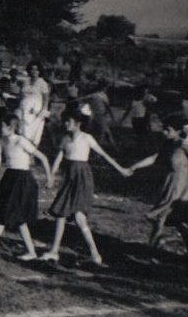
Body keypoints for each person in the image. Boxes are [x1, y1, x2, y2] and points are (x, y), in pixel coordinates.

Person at [41, 106, 132, 265]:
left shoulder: (86, 138)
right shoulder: (65, 138)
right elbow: (58, 158)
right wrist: (51, 176)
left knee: (75, 216)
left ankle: (83, 253)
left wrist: (121, 169)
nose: (65, 124)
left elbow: (104, 155)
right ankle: (80, 254)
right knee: (64, 215)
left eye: (68, 121)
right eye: (64, 121)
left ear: (77, 122)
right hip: (70, 179)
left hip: (82, 179)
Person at [128, 117, 188, 261]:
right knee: (176, 221)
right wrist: (134, 167)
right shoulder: (167, 144)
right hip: (171, 186)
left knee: (165, 220)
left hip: (180, 188)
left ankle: (152, 253)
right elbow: (154, 158)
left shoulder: (182, 144)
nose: (163, 132)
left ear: (178, 131)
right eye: (163, 128)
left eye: (167, 129)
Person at [0, 115, 52, 261]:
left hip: (23, 180)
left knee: (6, 216)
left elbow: (43, 158)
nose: (0, 128)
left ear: (10, 127)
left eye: (2, 126)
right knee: (17, 218)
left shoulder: (21, 141)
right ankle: (31, 252)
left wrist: (49, 178)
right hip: (9, 178)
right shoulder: (2, 141)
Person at [18, 61, 51, 147]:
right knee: (23, 131)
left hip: (35, 111)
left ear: (39, 71)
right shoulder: (25, 82)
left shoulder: (42, 83)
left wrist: (42, 111)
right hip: (23, 109)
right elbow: (21, 95)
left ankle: (31, 152)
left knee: (33, 134)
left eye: (36, 69)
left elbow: (46, 99)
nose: (34, 71)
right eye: (32, 69)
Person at [120, 84, 156, 152]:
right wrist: (123, 118)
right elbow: (127, 111)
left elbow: (154, 100)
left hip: (140, 119)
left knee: (142, 134)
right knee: (141, 134)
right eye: (144, 92)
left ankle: (142, 147)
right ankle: (141, 148)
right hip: (137, 120)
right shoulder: (139, 101)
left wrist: (148, 94)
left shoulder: (143, 100)